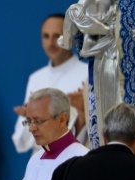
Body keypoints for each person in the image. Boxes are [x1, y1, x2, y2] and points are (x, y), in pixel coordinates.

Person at [12, 14, 88, 154]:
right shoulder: (36, 78)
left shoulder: (86, 75)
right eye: (46, 36)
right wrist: (29, 119)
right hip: (40, 160)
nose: (51, 43)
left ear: (71, 38)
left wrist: (82, 116)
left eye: (57, 36)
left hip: (74, 160)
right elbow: (20, 142)